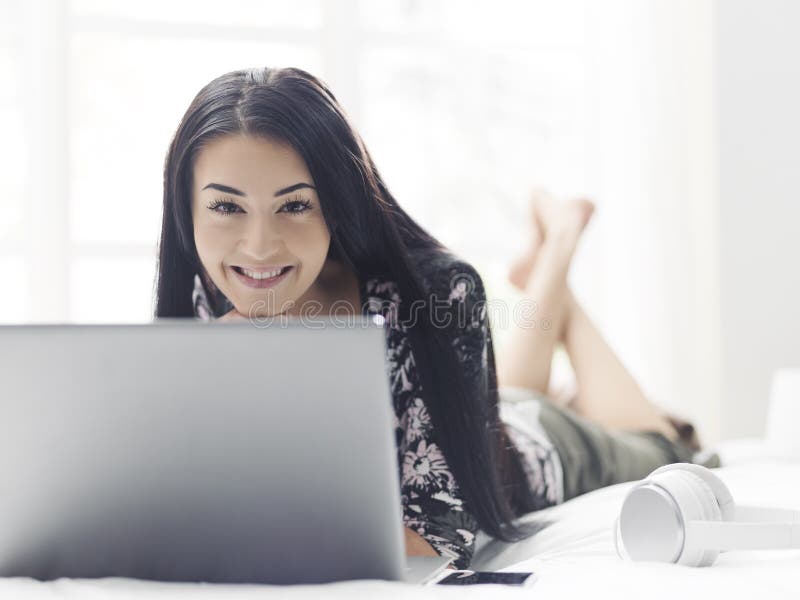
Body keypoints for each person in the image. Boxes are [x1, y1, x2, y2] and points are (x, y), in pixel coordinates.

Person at [154, 66, 718, 571]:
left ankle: (562, 242)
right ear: (186, 210)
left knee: (664, 445)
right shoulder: (215, 293)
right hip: (475, 413)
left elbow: (438, 536)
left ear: (336, 204)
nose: (257, 247)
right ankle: (555, 285)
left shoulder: (436, 294)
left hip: (533, 452)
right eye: (226, 206)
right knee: (509, 393)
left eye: (295, 205)